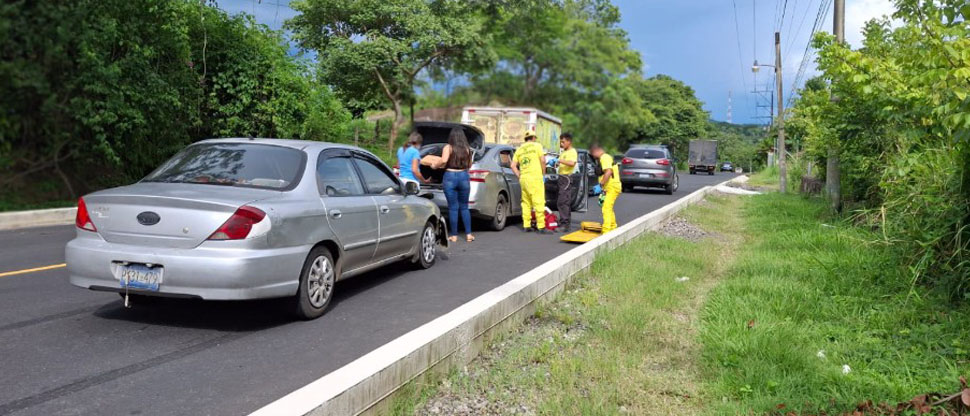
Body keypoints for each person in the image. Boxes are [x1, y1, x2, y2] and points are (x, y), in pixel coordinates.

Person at [437, 127, 475, 243]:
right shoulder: (467, 149)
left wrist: (434, 165)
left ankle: (454, 236)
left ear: (451, 137)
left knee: (453, 208)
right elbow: (469, 165)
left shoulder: (448, 147)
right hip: (464, 176)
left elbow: (443, 161)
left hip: (450, 177)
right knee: (464, 207)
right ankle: (468, 235)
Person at [511, 131, 548, 234]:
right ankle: (541, 226)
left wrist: (519, 175)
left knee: (526, 202)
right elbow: (543, 161)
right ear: (533, 138)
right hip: (535, 177)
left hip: (524, 178)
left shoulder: (519, 149)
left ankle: (526, 225)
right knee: (538, 201)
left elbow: (512, 166)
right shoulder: (537, 146)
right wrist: (543, 175)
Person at [589, 143, 622, 233]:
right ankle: (612, 227)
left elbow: (608, 172)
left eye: (592, 153)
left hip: (612, 186)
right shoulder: (604, 158)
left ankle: (606, 231)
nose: (593, 156)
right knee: (607, 206)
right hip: (609, 187)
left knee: (606, 208)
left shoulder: (604, 157)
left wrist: (600, 185)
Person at [554, 133, 578, 233]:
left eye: (563, 141)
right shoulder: (564, 152)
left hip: (566, 179)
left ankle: (565, 224)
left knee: (563, 201)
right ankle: (564, 222)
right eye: (561, 141)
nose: (561, 143)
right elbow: (561, 162)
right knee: (562, 201)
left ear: (569, 141)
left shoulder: (572, 151)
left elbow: (572, 163)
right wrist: (556, 163)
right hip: (561, 177)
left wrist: (560, 160)